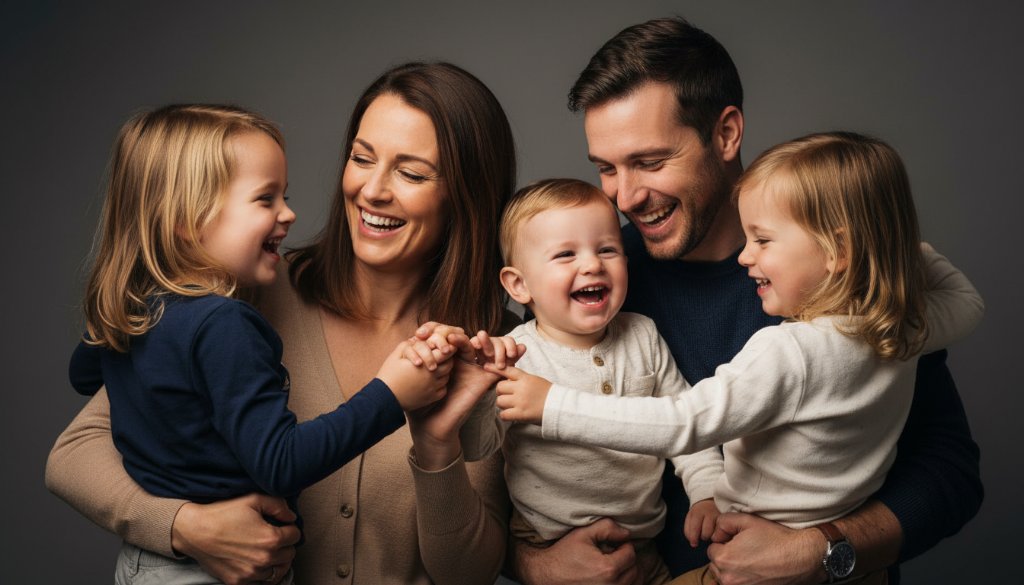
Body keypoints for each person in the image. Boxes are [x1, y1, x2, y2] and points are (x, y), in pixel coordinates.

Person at [511, 17, 984, 585]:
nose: (626, 196)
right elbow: (504, 466)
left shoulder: (841, 288)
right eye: (607, 169)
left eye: (651, 162)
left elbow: (949, 474)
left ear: (727, 133)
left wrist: (821, 551)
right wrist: (533, 565)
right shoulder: (595, 279)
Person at [46, 62, 517, 585]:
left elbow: (470, 573)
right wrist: (187, 528)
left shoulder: (492, 348)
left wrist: (437, 446)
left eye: (410, 173)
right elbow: (72, 456)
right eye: (362, 159)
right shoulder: (238, 295)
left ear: (467, 196)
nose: (373, 190)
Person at [468, 178, 721, 584]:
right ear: (519, 285)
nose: (592, 265)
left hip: (641, 546)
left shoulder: (643, 335)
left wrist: (707, 491)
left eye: (607, 249)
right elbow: (476, 446)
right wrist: (477, 393)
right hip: (548, 538)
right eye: (565, 254)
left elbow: (685, 422)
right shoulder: (515, 355)